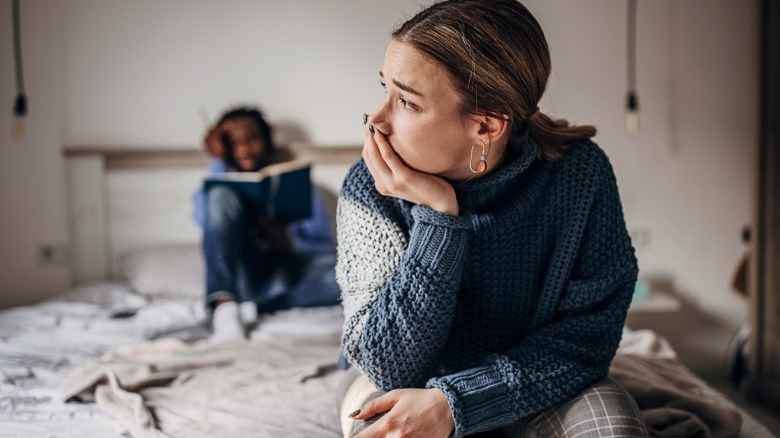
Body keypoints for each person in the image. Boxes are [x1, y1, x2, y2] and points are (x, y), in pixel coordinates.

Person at [335, 1, 647, 437]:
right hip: (397, 383)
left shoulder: (580, 175)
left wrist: (455, 403)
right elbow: (388, 364)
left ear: (486, 127)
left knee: (613, 427)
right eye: (384, 88)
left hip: (530, 382)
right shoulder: (370, 188)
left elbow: (585, 341)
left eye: (406, 101)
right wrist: (439, 218)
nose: (376, 121)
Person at [193, 106, 340, 341]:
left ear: (266, 140)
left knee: (346, 275)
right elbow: (206, 223)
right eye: (232, 142)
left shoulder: (304, 189)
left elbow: (326, 247)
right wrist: (218, 161)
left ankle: (257, 309)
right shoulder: (216, 191)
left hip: (290, 276)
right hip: (245, 276)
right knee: (220, 196)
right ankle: (224, 306)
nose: (243, 149)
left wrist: (291, 242)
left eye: (251, 139)